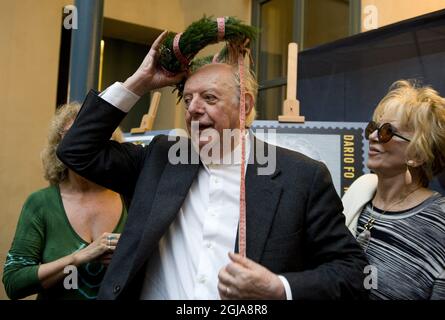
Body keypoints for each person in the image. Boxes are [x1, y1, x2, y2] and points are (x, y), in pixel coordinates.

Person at [56, 31, 368, 300]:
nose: (193, 108)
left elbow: (352, 272)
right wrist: (139, 83)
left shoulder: (301, 178)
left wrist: (278, 287)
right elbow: (76, 149)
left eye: (209, 97)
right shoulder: (160, 160)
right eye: (188, 98)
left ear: (243, 106)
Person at [2, 103, 128, 300]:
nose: (84, 142)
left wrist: (127, 258)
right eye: (74, 134)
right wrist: (78, 258)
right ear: (58, 146)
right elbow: (13, 282)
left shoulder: (130, 198)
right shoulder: (41, 204)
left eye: (96, 134)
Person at [342, 80, 445, 299]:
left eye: (387, 132)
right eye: (373, 128)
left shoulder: (440, 222)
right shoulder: (360, 191)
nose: (372, 137)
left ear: (417, 155)